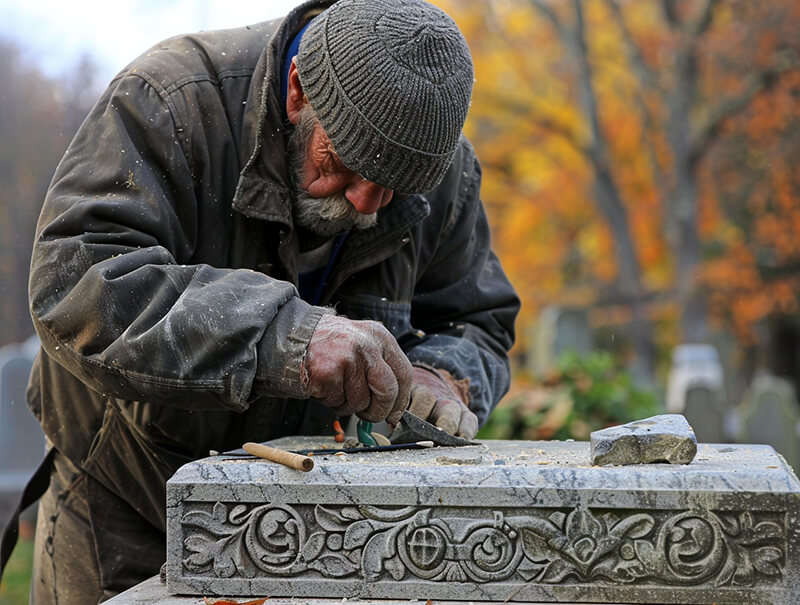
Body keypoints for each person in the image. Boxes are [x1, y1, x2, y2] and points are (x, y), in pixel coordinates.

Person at [19, 0, 519, 601]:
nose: (365, 204)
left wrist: (446, 376)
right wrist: (286, 338)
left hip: (319, 526)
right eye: (343, 165)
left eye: (393, 188)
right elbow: (76, 285)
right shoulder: (171, 101)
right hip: (130, 503)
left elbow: (476, 320)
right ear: (298, 90)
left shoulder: (444, 169)